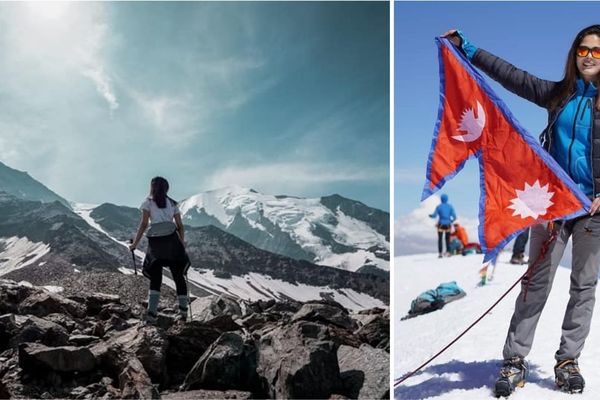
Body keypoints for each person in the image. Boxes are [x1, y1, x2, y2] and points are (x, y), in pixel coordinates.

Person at [443, 25, 600, 396]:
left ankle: (567, 361)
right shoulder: (558, 95)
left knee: (583, 287)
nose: (589, 56)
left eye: (597, 51)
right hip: (553, 203)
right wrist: (468, 48)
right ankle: (514, 361)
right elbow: (514, 77)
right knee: (535, 284)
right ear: (574, 54)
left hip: (593, 212)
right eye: (584, 49)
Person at [129, 176, 190, 324]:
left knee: (156, 277)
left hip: (156, 242)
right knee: (178, 276)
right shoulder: (172, 203)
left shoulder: (147, 203)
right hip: (172, 241)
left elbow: (143, 224)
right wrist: (181, 242)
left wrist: (135, 244)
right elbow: (180, 225)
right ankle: (183, 313)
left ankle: (152, 314)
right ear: (166, 188)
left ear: (152, 187)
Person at [429, 193, 457, 257]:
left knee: (440, 239)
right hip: (448, 225)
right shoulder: (450, 206)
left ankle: (440, 253)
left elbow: (434, 215)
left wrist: (430, 216)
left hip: (440, 225)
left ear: (441, 199)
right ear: (447, 199)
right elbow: (454, 217)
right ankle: (448, 252)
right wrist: (451, 221)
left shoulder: (438, 207)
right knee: (447, 239)